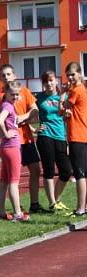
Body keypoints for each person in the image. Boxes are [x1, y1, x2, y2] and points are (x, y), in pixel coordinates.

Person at [0, 64, 48, 213]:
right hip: (13, 142)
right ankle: (16, 206)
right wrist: (5, 134)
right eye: (3, 75)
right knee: (13, 176)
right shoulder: (1, 96)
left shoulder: (24, 90)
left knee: (35, 170)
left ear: (14, 75)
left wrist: (23, 118)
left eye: (8, 74)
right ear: (0, 78)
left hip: (26, 138)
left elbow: (35, 110)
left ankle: (34, 204)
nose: (6, 77)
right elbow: (0, 119)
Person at [35, 70, 72, 212]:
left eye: (51, 80)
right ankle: (52, 203)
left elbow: (70, 114)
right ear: (43, 84)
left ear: (56, 81)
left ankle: (56, 198)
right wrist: (35, 129)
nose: (49, 83)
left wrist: (68, 114)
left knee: (66, 171)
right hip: (45, 137)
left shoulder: (63, 97)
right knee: (49, 170)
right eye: (46, 81)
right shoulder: (39, 98)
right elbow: (30, 115)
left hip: (60, 136)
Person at [0, 81, 30, 222]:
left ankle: (1, 212)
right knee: (14, 181)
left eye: (17, 94)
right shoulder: (8, 106)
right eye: (12, 94)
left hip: (5, 147)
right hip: (11, 146)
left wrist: (2, 135)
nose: (15, 97)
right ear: (5, 92)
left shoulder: (4, 105)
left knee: (4, 181)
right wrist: (5, 134)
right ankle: (18, 213)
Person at [63, 62, 87, 217]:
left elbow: (64, 105)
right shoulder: (81, 89)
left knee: (80, 174)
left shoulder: (76, 90)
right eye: (68, 75)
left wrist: (63, 93)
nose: (70, 77)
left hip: (77, 135)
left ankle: (80, 208)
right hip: (82, 133)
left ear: (79, 73)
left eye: (72, 74)